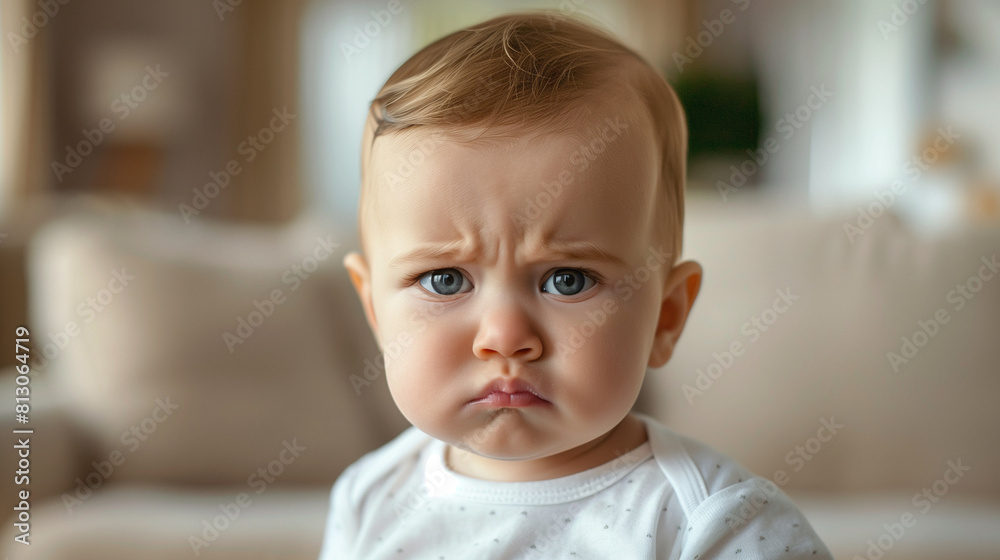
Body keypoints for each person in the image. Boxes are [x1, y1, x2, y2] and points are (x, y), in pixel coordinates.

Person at [320, 11, 832, 559]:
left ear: (666, 315)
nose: (505, 336)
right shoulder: (369, 499)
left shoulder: (714, 522)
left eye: (566, 280)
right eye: (445, 280)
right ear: (374, 310)